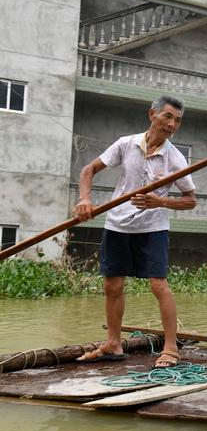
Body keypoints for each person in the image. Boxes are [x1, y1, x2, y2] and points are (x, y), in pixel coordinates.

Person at [73, 96, 197, 369]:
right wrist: (85, 199)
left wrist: (160, 201)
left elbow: (190, 200)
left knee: (158, 285)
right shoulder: (126, 144)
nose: (172, 124)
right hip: (117, 224)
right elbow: (88, 170)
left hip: (152, 228)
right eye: (167, 116)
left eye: (177, 120)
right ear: (152, 114)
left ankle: (171, 347)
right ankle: (113, 343)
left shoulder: (175, 158)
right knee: (112, 284)